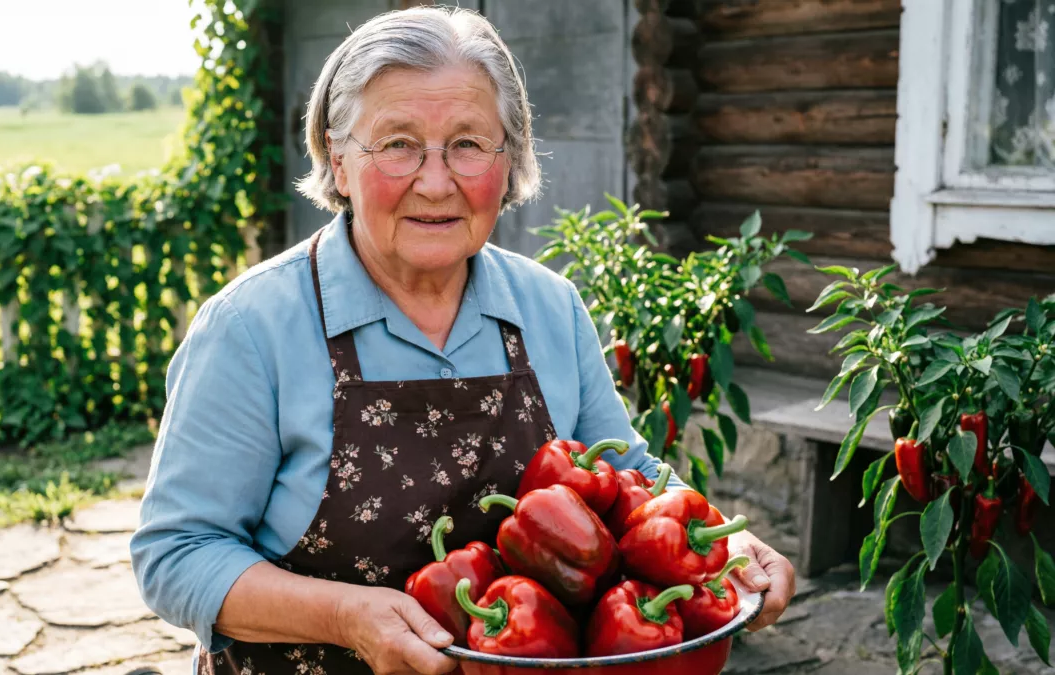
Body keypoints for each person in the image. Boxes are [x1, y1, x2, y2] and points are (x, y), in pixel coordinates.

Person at [131, 7, 795, 675]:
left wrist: (729, 545)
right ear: (337, 156)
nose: (436, 180)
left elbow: (632, 485)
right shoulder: (251, 327)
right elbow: (177, 553)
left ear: (511, 161)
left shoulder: (549, 308)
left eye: (469, 143)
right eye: (398, 143)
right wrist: (346, 616)